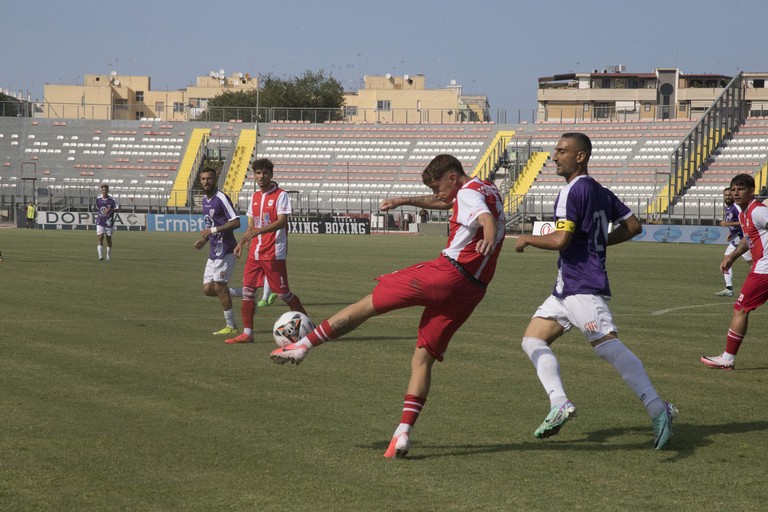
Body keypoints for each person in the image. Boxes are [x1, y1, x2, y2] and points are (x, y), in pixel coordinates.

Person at [270, 154, 506, 459]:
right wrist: (405, 199)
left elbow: (483, 219)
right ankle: (402, 433)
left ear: (452, 177)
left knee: (368, 304)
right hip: (472, 291)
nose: (438, 194)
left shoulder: (468, 193)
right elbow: (458, 205)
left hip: (447, 274)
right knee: (422, 359)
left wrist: (486, 237)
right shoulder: (484, 188)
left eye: (438, 187)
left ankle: (302, 345)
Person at [513, 132, 676, 450]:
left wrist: (527, 239)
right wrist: (599, 242)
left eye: (561, 151)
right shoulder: (600, 191)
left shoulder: (572, 192)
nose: (554, 156)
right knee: (533, 339)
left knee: (608, 347)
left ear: (580, 156)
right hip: (566, 288)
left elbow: (561, 241)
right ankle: (558, 402)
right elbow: (633, 226)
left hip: (581, 285)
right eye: (555, 151)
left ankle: (659, 408)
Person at [225, 158, 308, 344]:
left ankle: (308, 326)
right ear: (254, 175)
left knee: (283, 294)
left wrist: (258, 231)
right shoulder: (254, 197)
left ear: (271, 175)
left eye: (265, 173)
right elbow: (251, 225)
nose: (261, 176)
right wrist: (240, 243)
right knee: (248, 291)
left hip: (274, 252)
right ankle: (248, 334)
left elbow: (281, 221)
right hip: (255, 252)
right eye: (258, 173)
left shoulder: (280, 195)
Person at [701, 173, 768, 370]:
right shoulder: (743, 213)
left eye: (741, 188)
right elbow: (748, 239)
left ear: (752, 191)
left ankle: (727, 358)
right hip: (760, 267)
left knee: (741, 308)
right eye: (733, 188)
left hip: (764, 270)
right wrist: (731, 257)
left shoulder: (757, 211)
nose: (736, 192)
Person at [194, 168, 242, 336]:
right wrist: (205, 240)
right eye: (203, 179)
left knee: (220, 287)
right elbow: (211, 226)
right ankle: (247, 293)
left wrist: (213, 231)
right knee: (208, 289)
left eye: (209, 178)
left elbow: (236, 222)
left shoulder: (221, 198)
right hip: (214, 251)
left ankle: (231, 326)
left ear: (215, 180)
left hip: (226, 250)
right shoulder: (205, 201)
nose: (206, 182)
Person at [716, 186, 752, 297]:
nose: (727, 197)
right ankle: (729, 288)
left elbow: (744, 221)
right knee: (727, 260)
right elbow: (735, 222)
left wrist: (728, 224)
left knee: (753, 264)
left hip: (744, 241)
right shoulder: (728, 208)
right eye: (725, 195)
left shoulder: (736, 207)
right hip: (735, 239)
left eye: (729, 195)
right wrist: (730, 233)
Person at [95, 184, 118, 261]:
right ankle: (100, 255)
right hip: (100, 221)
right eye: (103, 190)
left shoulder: (112, 200)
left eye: (106, 190)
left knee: (109, 240)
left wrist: (110, 209)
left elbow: (117, 209)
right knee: (100, 237)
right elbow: (98, 208)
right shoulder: (98, 199)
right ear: (101, 190)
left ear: (108, 190)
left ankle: (108, 255)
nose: (104, 191)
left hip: (109, 222)